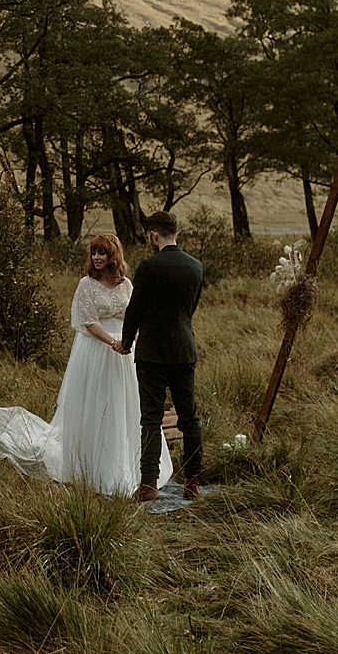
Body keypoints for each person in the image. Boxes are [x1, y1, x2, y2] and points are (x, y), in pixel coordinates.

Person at [0, 234, 171, 497]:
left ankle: (134, 464)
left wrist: (129, 341)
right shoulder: (86, 284)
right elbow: (89, 322)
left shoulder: (126, 284)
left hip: (126, 350)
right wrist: (113, 343)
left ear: (113, 256)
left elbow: (136, 316)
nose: (96, 258)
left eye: (102, 253)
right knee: (97, 403)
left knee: (126, 404)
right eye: (93, 252)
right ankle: (93, 464)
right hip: (97, 349)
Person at [118, 209, 205, 502]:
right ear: (175, 232)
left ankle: (149, 485)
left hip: (152, 353)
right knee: (189, 418)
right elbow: (189, 309)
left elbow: (135, 309)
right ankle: (192, 482)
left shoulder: (149, 267)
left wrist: (126, 341)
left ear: (154, 235)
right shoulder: (196, 267)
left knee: (151, 419)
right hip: (184, 349)